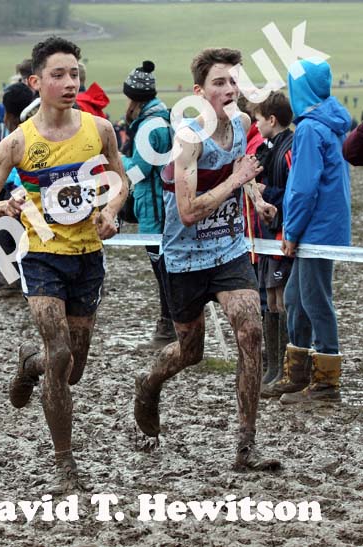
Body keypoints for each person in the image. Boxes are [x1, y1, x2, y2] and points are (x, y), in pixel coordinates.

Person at [0, 37, 128, 491]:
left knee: (72, 367)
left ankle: (27, 365)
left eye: (74, 73)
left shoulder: (100, 130)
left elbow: (121, 181)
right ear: (36, 82)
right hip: (40, 256)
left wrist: (111, 213)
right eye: (58, 75)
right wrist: (4, 208)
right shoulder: (17, 143)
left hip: (87, 257)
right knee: (60, 354)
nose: (69, 82)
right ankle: (65, 465)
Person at [132, 48, 280, 471]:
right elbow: (188, 210)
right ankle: (149, 382)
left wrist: (256, 197)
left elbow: (241, 164)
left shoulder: (243, 122)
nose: (230, 89)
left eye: (234, 81)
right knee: (190, 351)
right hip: (185, 258)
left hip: (229, 251)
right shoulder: (187, 140)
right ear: (199, 92)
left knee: (250, 332)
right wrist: (237, 180)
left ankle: (246, 447)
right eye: (219, 82)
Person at [278, 58, 352, 404]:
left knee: (315, 300)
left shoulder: (309, 129)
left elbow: (303, 187)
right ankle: (298, 374)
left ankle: (325, 383)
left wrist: (291, 231)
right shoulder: (330, 123)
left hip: (315, 230)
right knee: (296, 297)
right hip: (325, 227)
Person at [120, 61, 176, 348]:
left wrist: (117, 159)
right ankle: (170, 327)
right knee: (166, 271)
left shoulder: (148, 128)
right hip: (163, 207)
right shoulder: (162, 119)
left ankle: (168, 330)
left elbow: (137, 172)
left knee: (163, 273)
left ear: (135, 99)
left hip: (154, 211)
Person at [250, 91, 295, 395]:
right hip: (267, 235)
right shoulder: (270, 147)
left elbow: (293, 191)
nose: (255, 124)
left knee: (281, 298)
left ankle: (285, 367)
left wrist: (267, 192)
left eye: (258, 119)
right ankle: (273, 367)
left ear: (271, 119)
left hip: (280, 234)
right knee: (271, 295)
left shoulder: (289, 148)